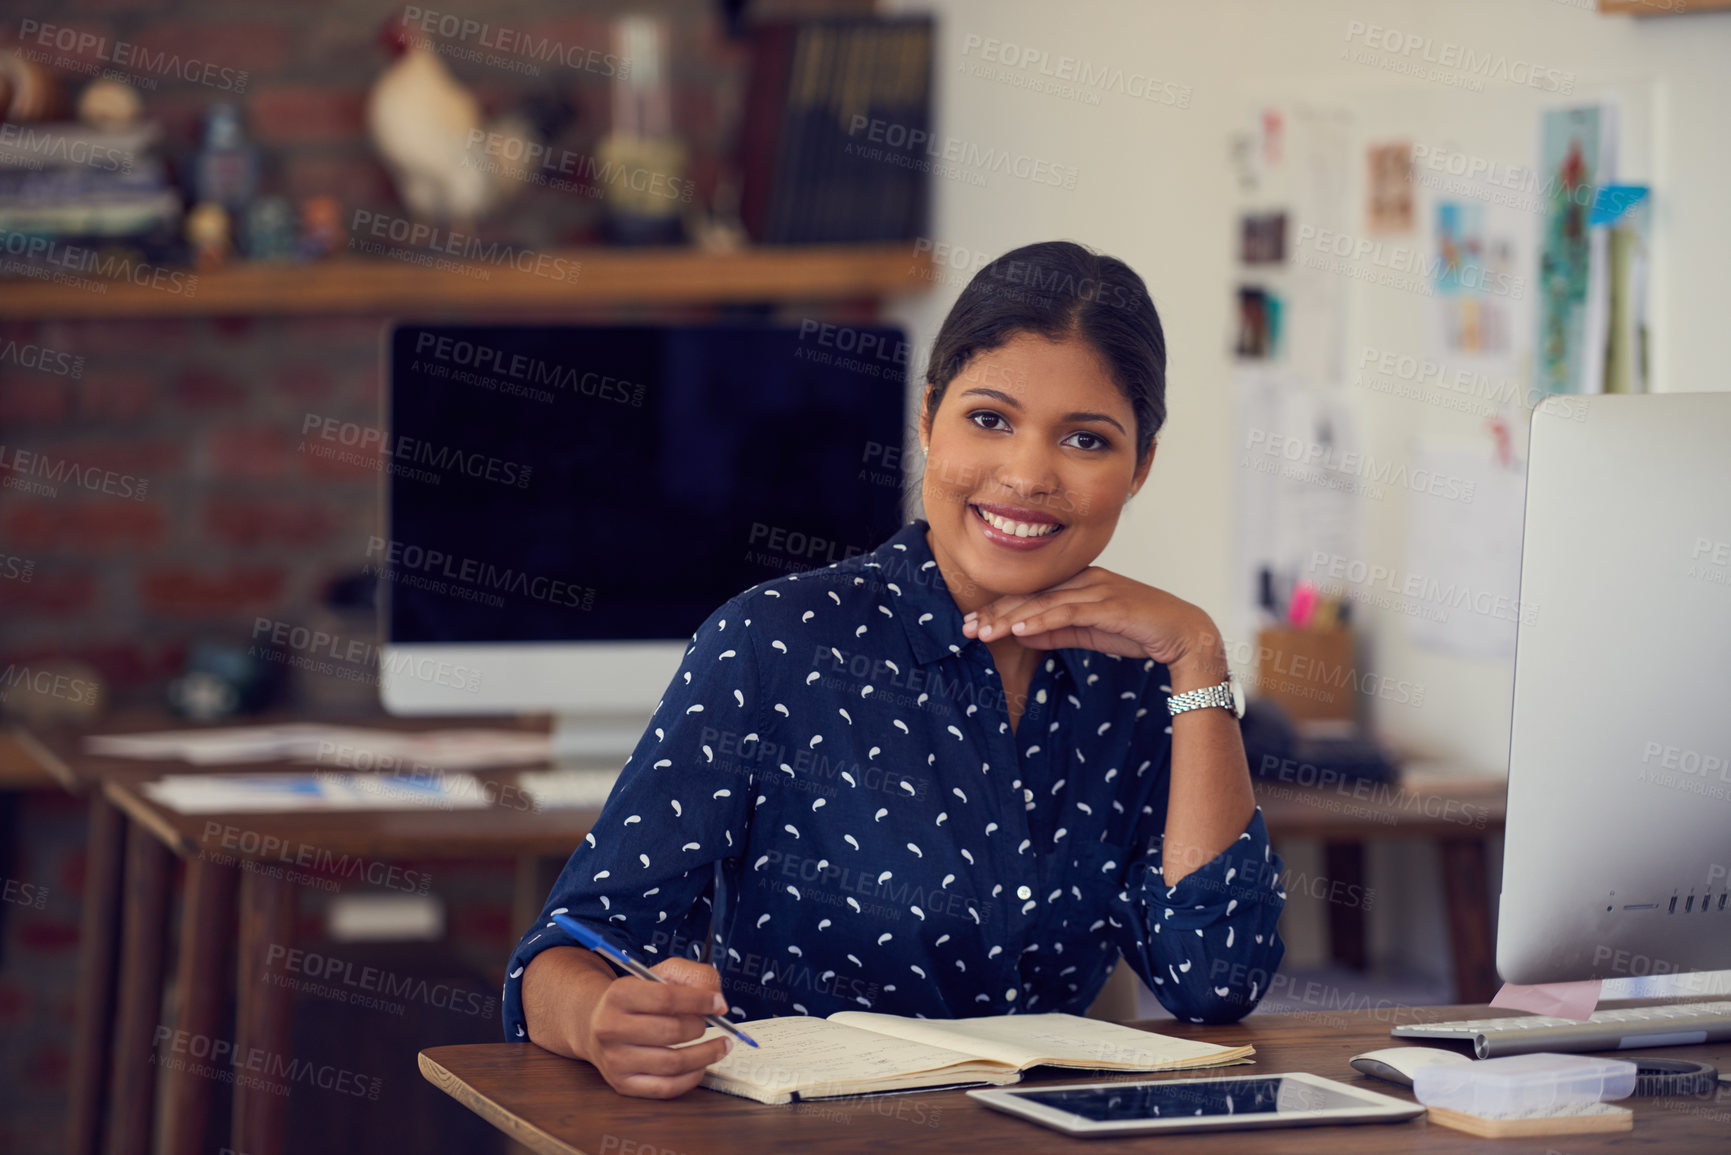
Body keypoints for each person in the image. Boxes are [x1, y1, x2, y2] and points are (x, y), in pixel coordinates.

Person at [502, 240, 1286, 1099]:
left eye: (1085, 439)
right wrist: (601, 1020)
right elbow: (566, 949)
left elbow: (1215, 980)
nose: (1026, 475)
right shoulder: (773, 644)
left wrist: (1198, 655)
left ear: (1139, 466)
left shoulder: (1144, 678)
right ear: (926, 418)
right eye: (989, 419)